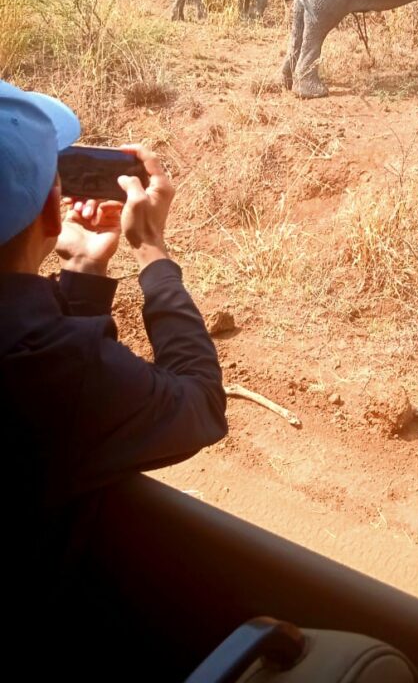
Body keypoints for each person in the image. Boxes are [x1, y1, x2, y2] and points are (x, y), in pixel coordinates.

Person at [0, 79, 228, 669]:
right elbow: (199, 403)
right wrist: (152, 250)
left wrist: (81, 268)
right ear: (53, 210)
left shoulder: (42, 359)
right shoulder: (55, 369)